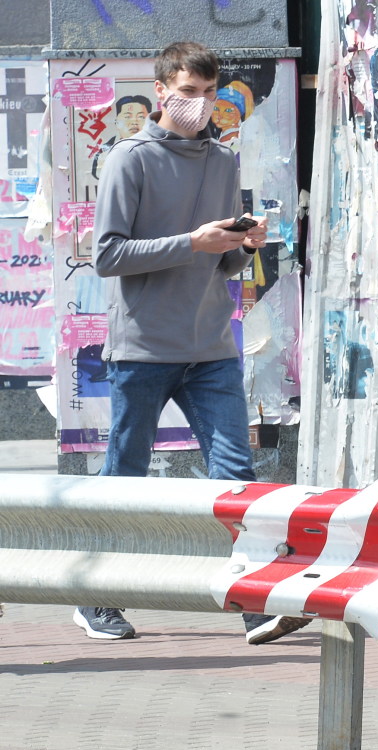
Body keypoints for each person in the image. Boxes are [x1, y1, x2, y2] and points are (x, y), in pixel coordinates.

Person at [86, 41, 311, 647]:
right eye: (188, 92)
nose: (200, 105)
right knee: (124, 475)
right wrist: (194, 241)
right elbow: (106, 255)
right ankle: (94, 596)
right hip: (142, 347)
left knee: (235, 475)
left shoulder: (223, 161)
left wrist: (242, 246)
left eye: (209, 93)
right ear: (162, 90)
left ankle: (255, 604)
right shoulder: (128, 160)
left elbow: (222, 265)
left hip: (211, 344)